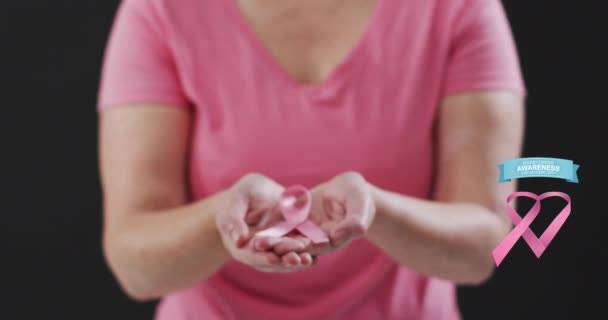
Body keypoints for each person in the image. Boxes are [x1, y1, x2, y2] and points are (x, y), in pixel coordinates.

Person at [97, 0, 526, 319]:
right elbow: (135, 263)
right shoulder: (161, 10)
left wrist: (377, 212)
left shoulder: (457, 8)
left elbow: (485, 244)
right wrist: (221, 220)